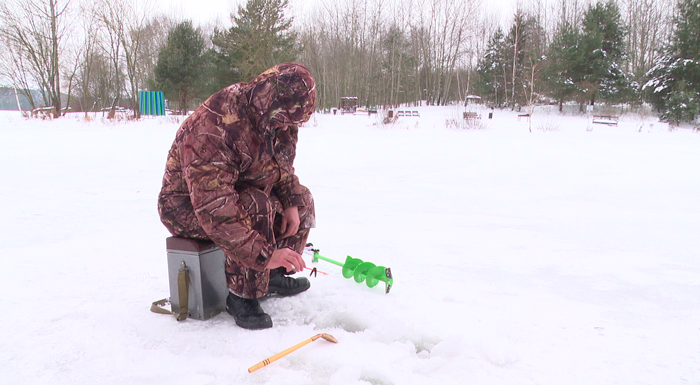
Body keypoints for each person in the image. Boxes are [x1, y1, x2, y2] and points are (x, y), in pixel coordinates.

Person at [157, 63, 317, 330]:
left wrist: (291, 202)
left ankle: (272, 276)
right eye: (288, 120)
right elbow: (215, 207)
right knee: (256, 204)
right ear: (273, 104)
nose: (291, 127)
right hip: (188, 207)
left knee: (303, 200)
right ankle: (243, 295)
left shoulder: (278, 120)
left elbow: (280, 168)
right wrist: (266, 254)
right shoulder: (216, 124)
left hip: (239, 191)